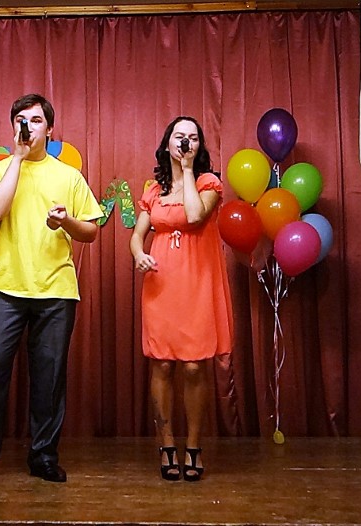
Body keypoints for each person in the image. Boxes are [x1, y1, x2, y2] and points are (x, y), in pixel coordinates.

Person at [0, 94, 103, 484]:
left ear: (50, 129)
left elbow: (91, 231)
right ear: (13, 127)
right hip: (5, 287)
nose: (28, 126)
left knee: (49, 377)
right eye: (21, 119)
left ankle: (43, 456)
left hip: (56, 290)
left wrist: (66, 222)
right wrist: (18, 159)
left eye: (36, 120)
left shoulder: (68, 176)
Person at [129, 116, 233, 482]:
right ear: (167, 143)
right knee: (162, 363)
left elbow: (193, 215)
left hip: (197, 281)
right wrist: (138, 253)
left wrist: (188, 170)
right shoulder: (153, 190)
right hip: (161, 283)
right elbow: (137, 235)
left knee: (192, 366)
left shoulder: (208, 183)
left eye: (193, 137)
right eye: (179, 136)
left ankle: (194, 446)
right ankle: (167, 444)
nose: (185, 141)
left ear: (199, 146)